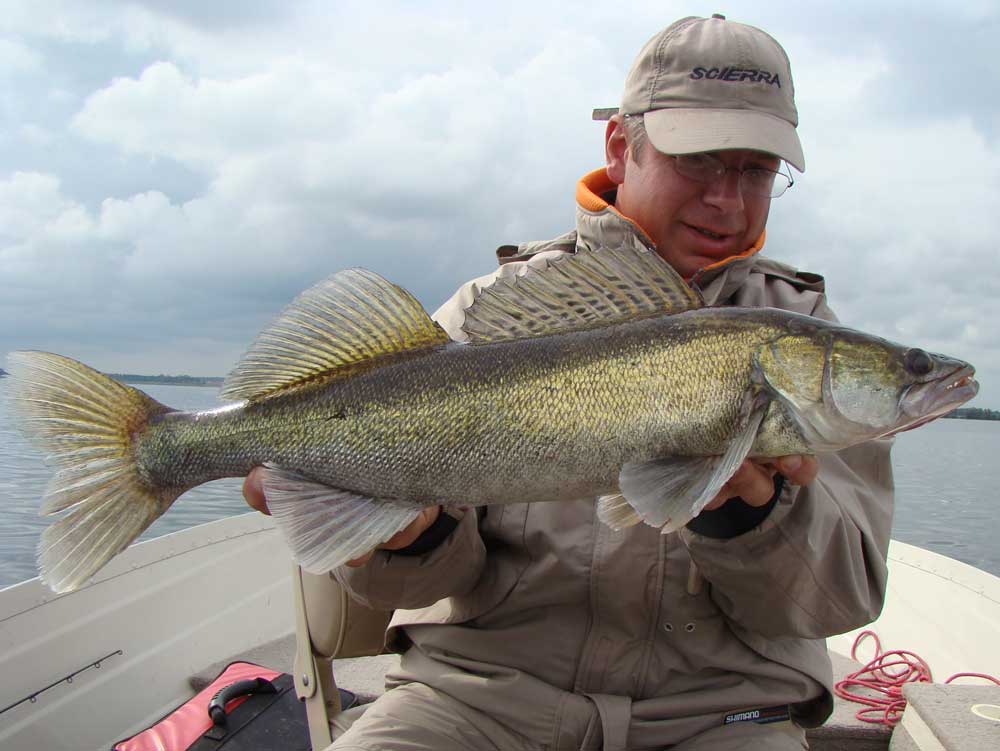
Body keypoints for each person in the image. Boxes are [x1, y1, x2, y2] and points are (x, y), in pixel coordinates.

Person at [245, 15, 893, 751]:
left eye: (757, 170)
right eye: (701, 160)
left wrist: (752, 518)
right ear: (619, 146)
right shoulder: (489, 315)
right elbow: (402, 591)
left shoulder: (807, 341)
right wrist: (409, 540)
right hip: (477, 700)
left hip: (719, 718)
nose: (728, 199)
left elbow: (839, 598)